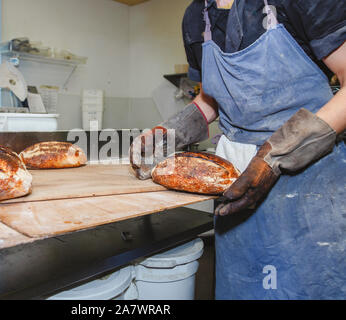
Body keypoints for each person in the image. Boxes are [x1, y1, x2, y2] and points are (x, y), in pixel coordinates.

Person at [130, 0, 345, 299]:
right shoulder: (196, 16)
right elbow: (212, 97)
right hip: (237, 190)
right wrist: (170, 132)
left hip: (309, 190)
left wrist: (275, 155)